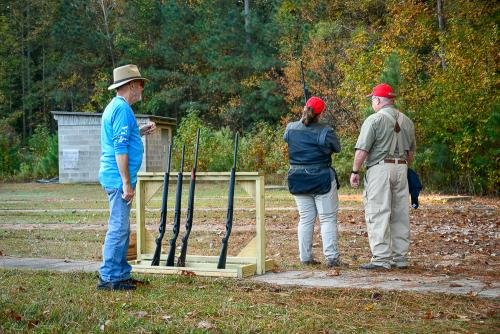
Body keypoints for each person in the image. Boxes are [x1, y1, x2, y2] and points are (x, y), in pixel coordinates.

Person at [97, 64, 156, 290]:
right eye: (140, 84)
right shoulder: (122, 109)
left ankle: (120, 274)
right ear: (131, 85)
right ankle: (110, 277)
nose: (142, 88)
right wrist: (126, 183)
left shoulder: (115, 106)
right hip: (117, 179)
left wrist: (139, 131)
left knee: (121, 227)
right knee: (119, 228)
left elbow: (119, 137)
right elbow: (119, 148)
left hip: (114, 176)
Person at [350, 83, 416, 270]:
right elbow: (411, 153)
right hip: (402, 168)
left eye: (373, 99)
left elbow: (363, 149)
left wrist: (355, 171)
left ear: (377, 100)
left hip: (380, 169)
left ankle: (381, 258)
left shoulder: (373, 120)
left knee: (378, 212)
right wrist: (403, 168)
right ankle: (400, 258)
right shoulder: (407, 121)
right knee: (400, 213)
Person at [284, 96, 345, 268]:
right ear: (321, 113)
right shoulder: (326, 131)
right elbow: (337, 148)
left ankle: (305, 257)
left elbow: (288, 137)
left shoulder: (290, 128)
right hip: (321, 178)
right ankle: (332, 258)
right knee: (327, 218)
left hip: (298, 178)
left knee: (305, 218)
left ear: (304, 109)